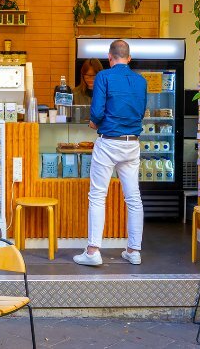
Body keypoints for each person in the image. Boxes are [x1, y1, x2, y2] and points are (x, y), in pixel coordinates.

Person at [73, 40, 146, 266]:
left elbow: (97, 111)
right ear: (129, 58)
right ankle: (133, 250)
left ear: (109, 57)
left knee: (97, 196)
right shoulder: (141, 81)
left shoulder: (104, 77)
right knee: (133, 198)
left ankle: (93, 251)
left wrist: (95, 123)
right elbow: (141, 112)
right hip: (132, 144)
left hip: (108, 143)